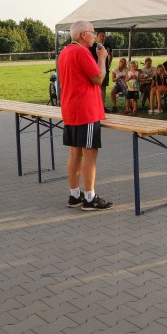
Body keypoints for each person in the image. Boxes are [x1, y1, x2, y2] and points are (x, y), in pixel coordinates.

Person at [59, 20, 114, 211]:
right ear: (83, 35)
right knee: (90, 153)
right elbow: (98, 78)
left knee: (75, 153)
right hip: (86, 111)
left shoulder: (65, 52)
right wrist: (102, 58)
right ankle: (90, 198)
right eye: (92, 32)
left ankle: (75, 195)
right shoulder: (82, 52)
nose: (94, 36)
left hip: (70, 109)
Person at [91, 31, 112, 112]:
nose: (102, 37)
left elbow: (110, 54)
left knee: (103, 88)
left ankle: (102, 106)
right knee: (96, 88)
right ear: (97, 37)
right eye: (100, 36)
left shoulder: (108, 45)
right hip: (95, 70)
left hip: (105, 69)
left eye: (104, 36)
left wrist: (109, 63)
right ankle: (96, 106)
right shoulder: (93, 46)